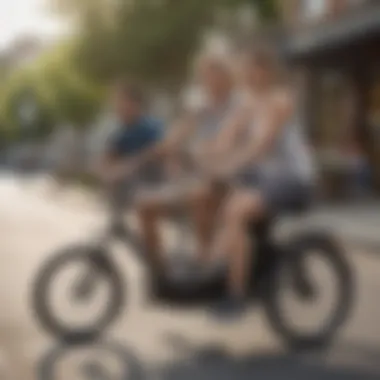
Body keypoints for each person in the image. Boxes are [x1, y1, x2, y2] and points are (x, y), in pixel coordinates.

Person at [204, 45, 315, 319]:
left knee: (236, 212)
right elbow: (227, 136)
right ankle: (224, 274)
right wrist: (204, 154)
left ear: (266, 71)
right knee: (223, 206)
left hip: (294, 178)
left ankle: (237, 295)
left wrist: (231, 162)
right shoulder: (247, 104)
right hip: (267, 178)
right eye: (245, 70)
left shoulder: (280, 100)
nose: (248, 75)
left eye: (253, 69)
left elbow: (262, 143)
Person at [137, 53, 240, 272]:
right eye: (203, 76)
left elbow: (232, 145)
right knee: (145, 205)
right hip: (203, 176)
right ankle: (159, 271)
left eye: (212, 75)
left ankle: (206, 261)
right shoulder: (200, 105)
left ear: (226, 76)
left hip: (233, 179)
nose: (207, 81)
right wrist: (156, 151)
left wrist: (205, 153)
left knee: (199, 195)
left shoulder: (239, 105)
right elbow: (181, 129)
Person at [97, 80, 164, 269]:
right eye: (115, 103)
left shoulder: (150, 126)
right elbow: (108, 157)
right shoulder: (120, 131)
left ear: (135, 104)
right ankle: (154, 265)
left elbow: (157, 152)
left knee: (147, 217)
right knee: (130, 223)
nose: (117, 107)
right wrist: (105, 171)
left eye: (121, 102)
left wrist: (128, 166)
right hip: (132, 188)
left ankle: (158, 267)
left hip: (156, 183)